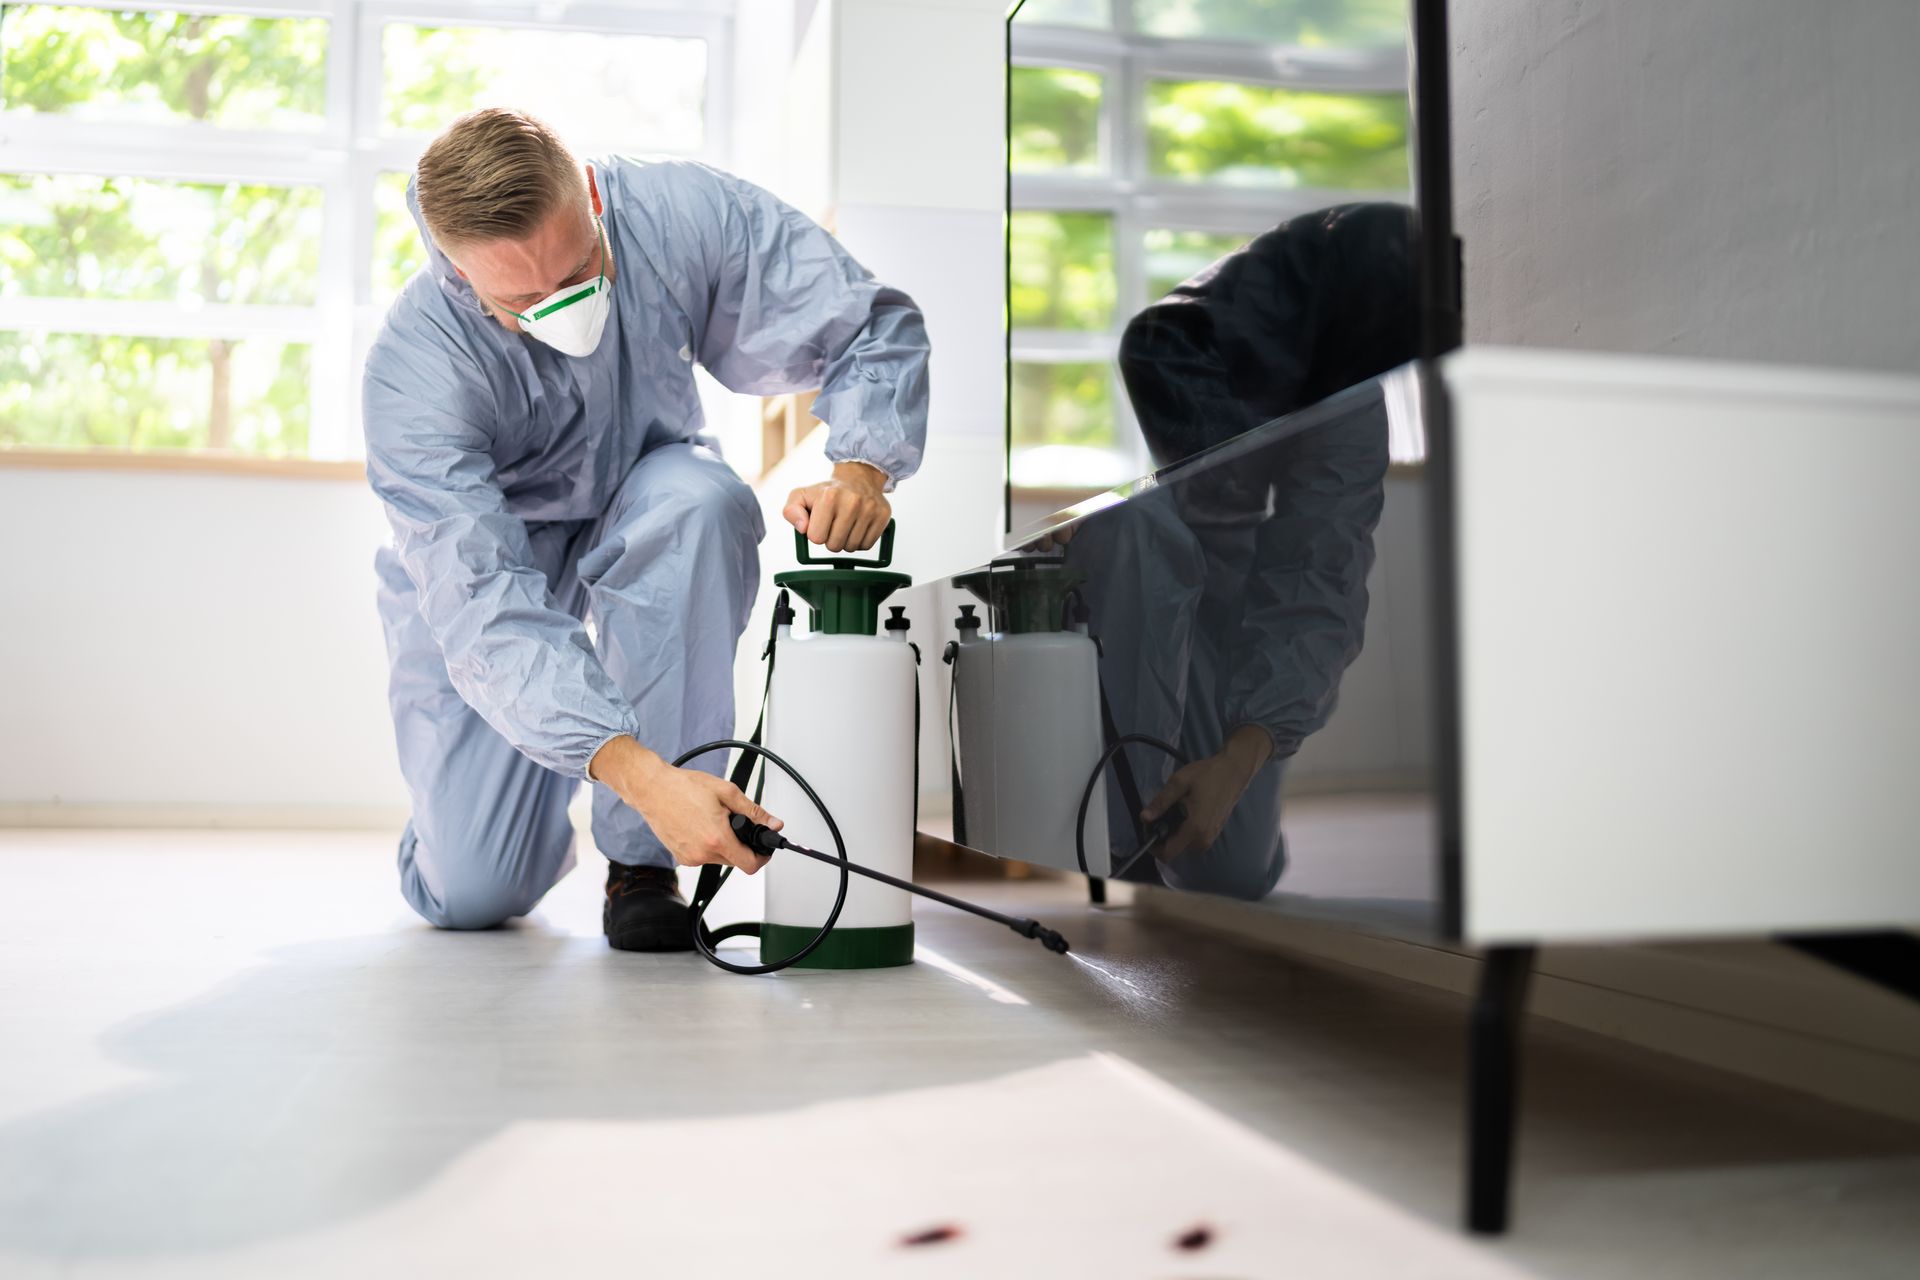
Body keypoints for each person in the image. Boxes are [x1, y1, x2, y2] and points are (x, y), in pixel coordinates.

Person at [362, 108, 929, 949]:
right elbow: (484, 606)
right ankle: (474, 816)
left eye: (582, 269)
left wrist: (861, 466)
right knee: (473, 893)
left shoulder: (678, 216)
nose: (563, 309)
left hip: (647, 489)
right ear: (456, 267)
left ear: (589, 194)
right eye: (522, 300)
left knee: (700, 504)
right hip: (497, 556)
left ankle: (641, 866)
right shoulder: (415, 372)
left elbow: (867, 324)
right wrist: (638, 771)